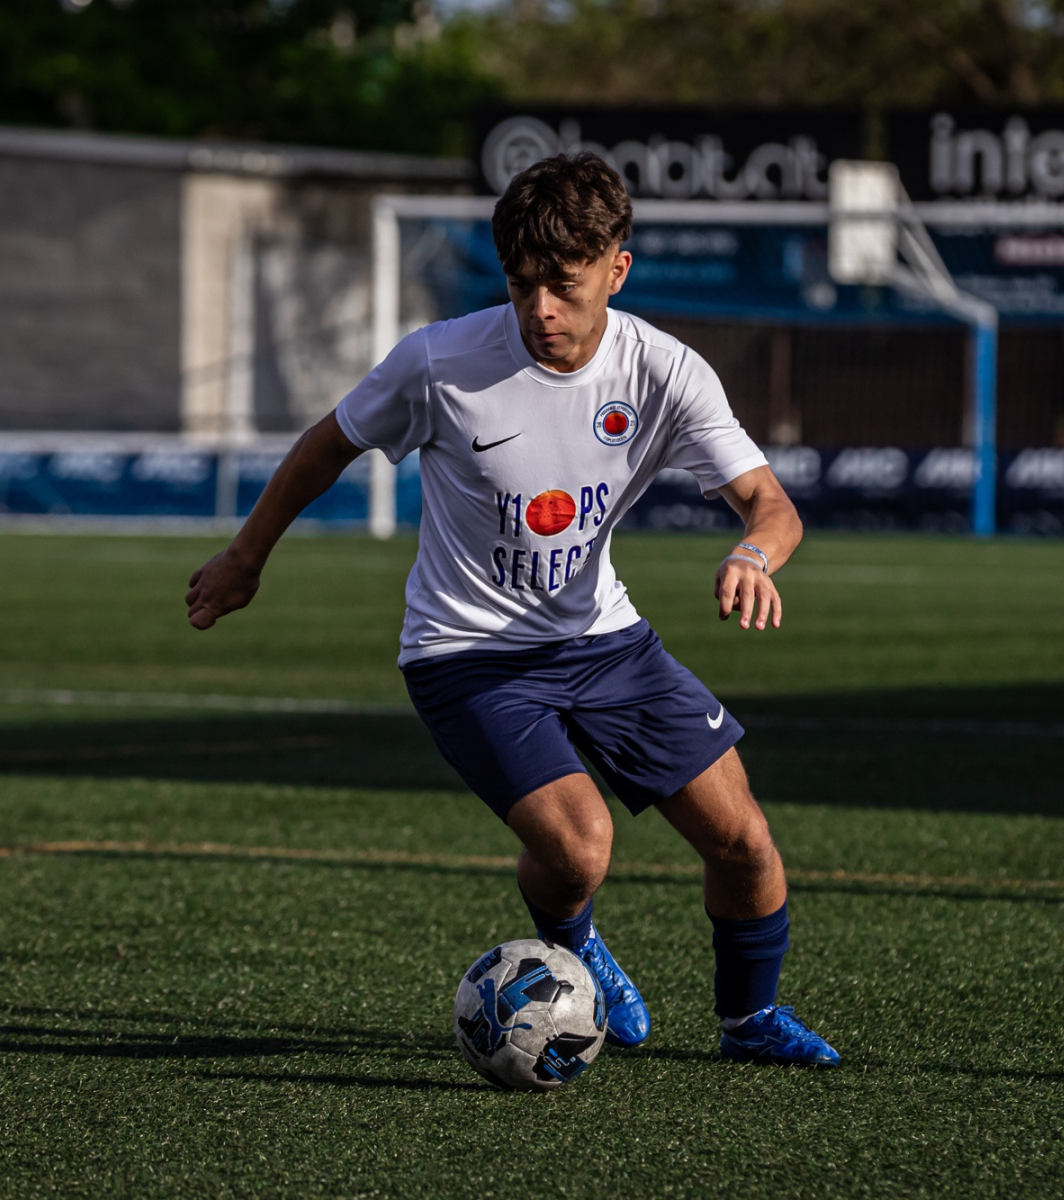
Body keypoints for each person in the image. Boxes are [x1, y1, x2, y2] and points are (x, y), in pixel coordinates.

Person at [184, 154, 838, 1067]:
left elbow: (771, 504)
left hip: (605, 640)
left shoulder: (665, 370)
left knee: (744, 840)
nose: (540, 309)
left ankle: (750, 1021)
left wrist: (752, 553)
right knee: (582, 849)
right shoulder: (439, 361)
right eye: (522, 284)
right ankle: (576, 944)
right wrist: (245, 557)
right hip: (467, 653)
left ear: (617, 269)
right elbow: (327, 444)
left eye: (563, 285)